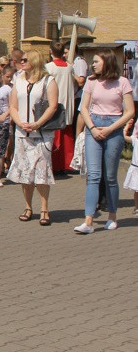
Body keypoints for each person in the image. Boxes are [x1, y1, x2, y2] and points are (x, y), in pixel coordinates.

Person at [74, 49, 134, 233]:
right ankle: (89, 221)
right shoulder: (91, 82)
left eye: (96, 61)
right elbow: (84, 107)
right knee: (93, 175)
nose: (93, 64)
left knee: (110, 177)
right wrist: (91, 127)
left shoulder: (122, 82)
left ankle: (112, 216)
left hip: (113, 128)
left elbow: (130, 111)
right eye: (93, 62)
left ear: (107, 63)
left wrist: (111, 128)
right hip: (94, 126)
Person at [7, 50, 60, 226]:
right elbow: (13, 106)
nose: (21, 62)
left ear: (35, 61)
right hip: (22, 132)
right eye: (20, 60)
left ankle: (44, 208)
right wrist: (19, 123)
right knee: (25, 172)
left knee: (42, 171)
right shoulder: (19, 80)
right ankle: (28, 206)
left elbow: (52, 106)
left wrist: (37, 124)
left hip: (42, 133)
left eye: (24, 60)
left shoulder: (48, 81)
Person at [45, 42, 78, 172]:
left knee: (55, 135)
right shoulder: (70, 68)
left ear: (50, 51)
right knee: (66, 136)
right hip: (67, 103)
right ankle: (66, 164)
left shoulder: (48, 67)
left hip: (55, 103)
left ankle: (56, 165)